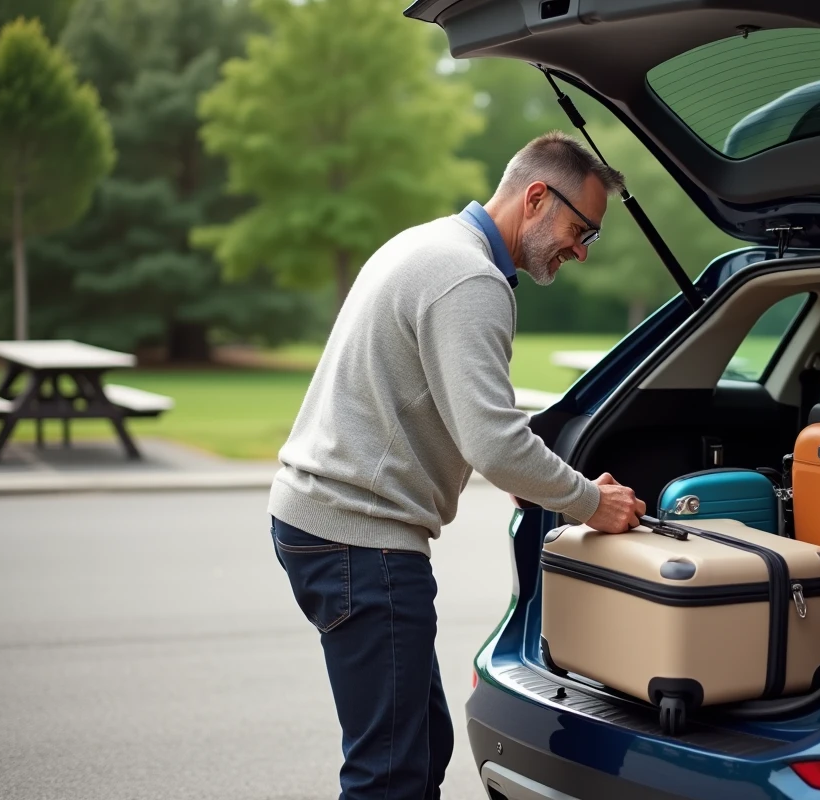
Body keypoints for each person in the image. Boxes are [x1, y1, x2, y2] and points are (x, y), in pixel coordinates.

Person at [267, 130, 647, 800]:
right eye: (581, 228)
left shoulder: (430, 242)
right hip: (362, 541)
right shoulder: (469, 278)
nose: (582, 252)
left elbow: (442, 408)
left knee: (419, 744)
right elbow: (495, 443)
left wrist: (535, 484)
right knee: (390, 774)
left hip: (323, 523)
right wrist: (592, 500)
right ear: (536, 197)